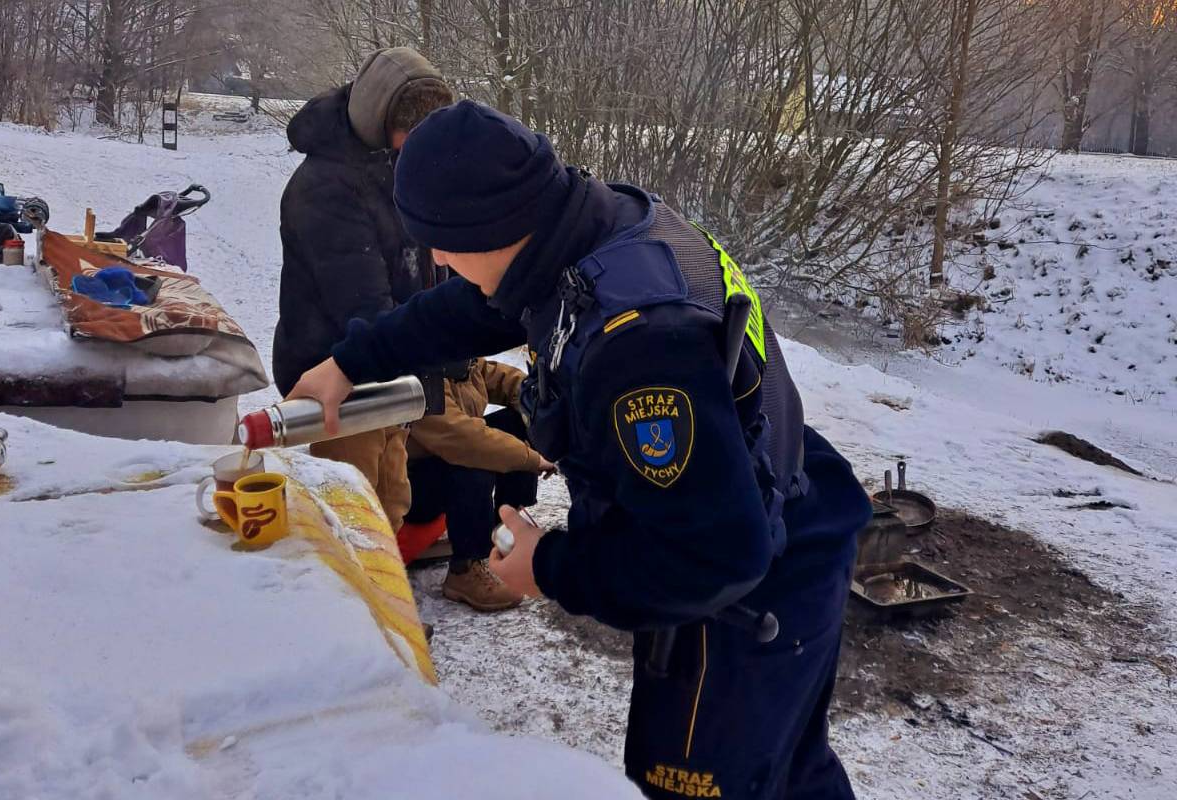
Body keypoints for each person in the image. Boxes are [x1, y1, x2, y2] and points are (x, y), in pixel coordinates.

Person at [289, 101, 872, 800]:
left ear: (492, 226)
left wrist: (551, 568)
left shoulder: (642, 347)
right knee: (790, 771)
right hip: (781, 497)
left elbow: (716, 557)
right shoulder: (588, 230)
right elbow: (471, 308)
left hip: (750, 587)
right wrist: (350, 361)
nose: (437, 259)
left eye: (441, 241)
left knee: (702, 781)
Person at [271, 47, 453, 533]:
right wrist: (435, 343)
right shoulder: (324, 188)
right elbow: (364, 306)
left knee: (391, 501)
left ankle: (381, 600)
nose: (421, 148)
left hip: (389, 370)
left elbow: (434, 256)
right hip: (337, 379)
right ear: (379, 120)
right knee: (349, 518)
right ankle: (344, 607)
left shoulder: (399, 165)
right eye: (411, 135)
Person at [404, 357, 555, 611]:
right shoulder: (418, 376)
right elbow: (465, 440)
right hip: (412, 490)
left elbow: (500, 378)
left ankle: (506, 527)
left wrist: (539, 399)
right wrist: (534, 459)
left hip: (445, 464)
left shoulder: (459, 362)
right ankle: (466, 568)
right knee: (475, 460)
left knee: (519, 421)